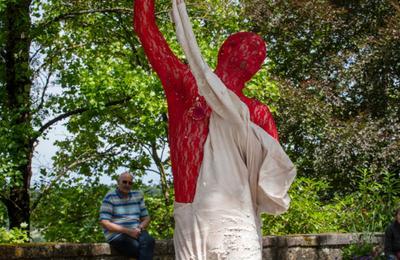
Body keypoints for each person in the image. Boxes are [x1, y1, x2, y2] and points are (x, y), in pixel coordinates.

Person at [134, 0, 296, 258]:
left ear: (225, 50)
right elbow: (272, 178)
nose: (248, 53)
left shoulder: (190, 86)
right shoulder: (253, 112)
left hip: (209, 217)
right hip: (229, 219)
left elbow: (145, 27)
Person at [99, 171, 155, 260]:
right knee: (137, 248)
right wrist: (128, 231)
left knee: (149, 241)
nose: (127, 185)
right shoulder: (110, 197)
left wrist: (139, 228)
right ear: (118, 182)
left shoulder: (137, 196)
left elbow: (146, 218)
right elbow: (104, 222)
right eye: (124, 182)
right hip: (117, 235)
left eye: (130, 183)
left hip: (137, 231)